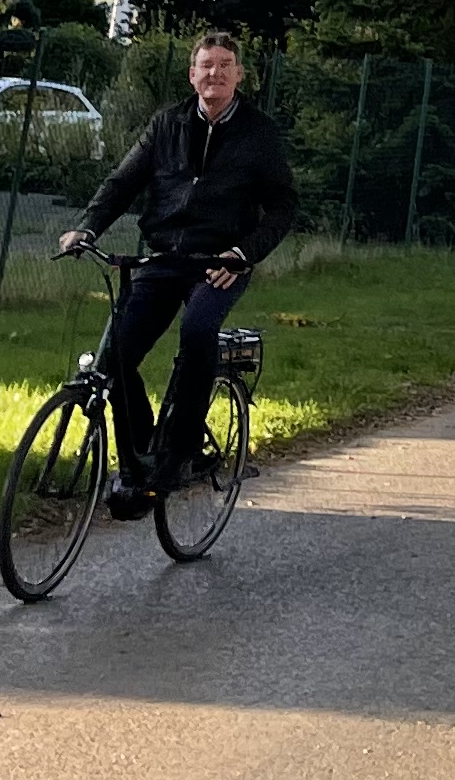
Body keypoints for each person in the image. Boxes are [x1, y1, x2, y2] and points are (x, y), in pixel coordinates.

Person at [62, 31, 297, 515]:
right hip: (164, 256)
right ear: (192, 75)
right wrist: (87, 227)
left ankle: (180, 451)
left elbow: (282, 206)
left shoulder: (259, 133)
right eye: (206, 65)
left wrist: (243, 253)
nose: (215, 73)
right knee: (114, 357)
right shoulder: (166, 124)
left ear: (238, 76)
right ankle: (141, 460)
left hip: (219, 264)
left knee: (197, 332)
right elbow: (123, 181)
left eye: (225, 65)